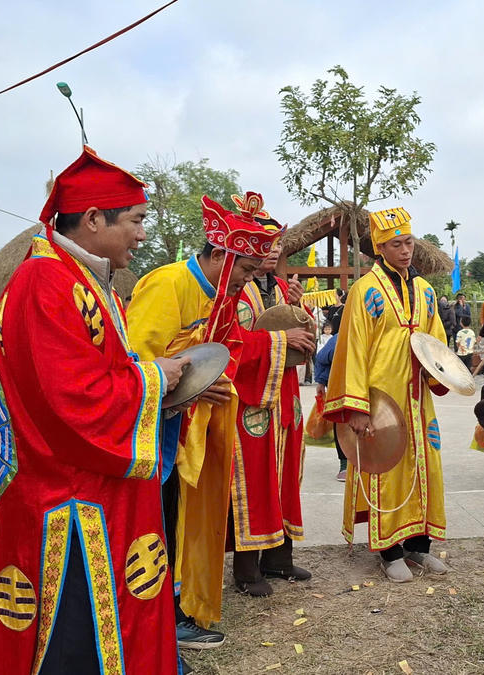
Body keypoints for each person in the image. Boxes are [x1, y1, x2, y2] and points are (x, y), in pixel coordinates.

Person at [0, 146, 191, 674]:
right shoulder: (44, 283)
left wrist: (157, 379)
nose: (143, 235)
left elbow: (106, 375)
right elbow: (71, 400)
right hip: (68, 503)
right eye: (137, 220)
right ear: (95, 219)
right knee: (76, 642)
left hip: (96, 487)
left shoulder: (87, 281)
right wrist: (155, 377)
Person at [126, 193, 282, 649]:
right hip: (150, 430)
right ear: (219, 253)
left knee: (177, 522)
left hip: (187, 431)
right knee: (150, 522)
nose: (249, 281)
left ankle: (171, 612)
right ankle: (151, 620)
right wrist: (180, 386)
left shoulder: (223, 295)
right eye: (247, 270)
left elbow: (228, 350)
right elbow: (134, 362)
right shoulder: (167, 285)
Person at [324, 207, 452, 583]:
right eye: (396, 244)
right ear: (379, 248)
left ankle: (420, 546)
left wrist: (443, 375)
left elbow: (436, 343)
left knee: (425, 465)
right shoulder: (365, 291)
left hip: (417, 399)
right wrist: (357, 407)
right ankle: (389, 551)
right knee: (388, 470)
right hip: (382, 400)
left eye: (409, 242)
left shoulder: (426, 291)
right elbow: (353, 350)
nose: (405, 250)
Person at [229, 207, 318, 598]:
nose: (270, 251)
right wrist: (283, 340)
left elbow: (305, 337)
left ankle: (280, 558)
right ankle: (246, 570)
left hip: (285, 396)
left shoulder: (284, 289)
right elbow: (228, 344)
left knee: (285, 477)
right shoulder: (232, 290)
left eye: (276, 243)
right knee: (252, 479)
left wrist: (305, 315)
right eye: (263, 244)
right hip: (250, 398)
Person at [314, 306, 346, 481]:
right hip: (339, 387)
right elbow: (320, 358)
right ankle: (344, 464)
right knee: (341, 423)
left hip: (365, 387)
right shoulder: (337, 339)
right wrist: (320, 381)